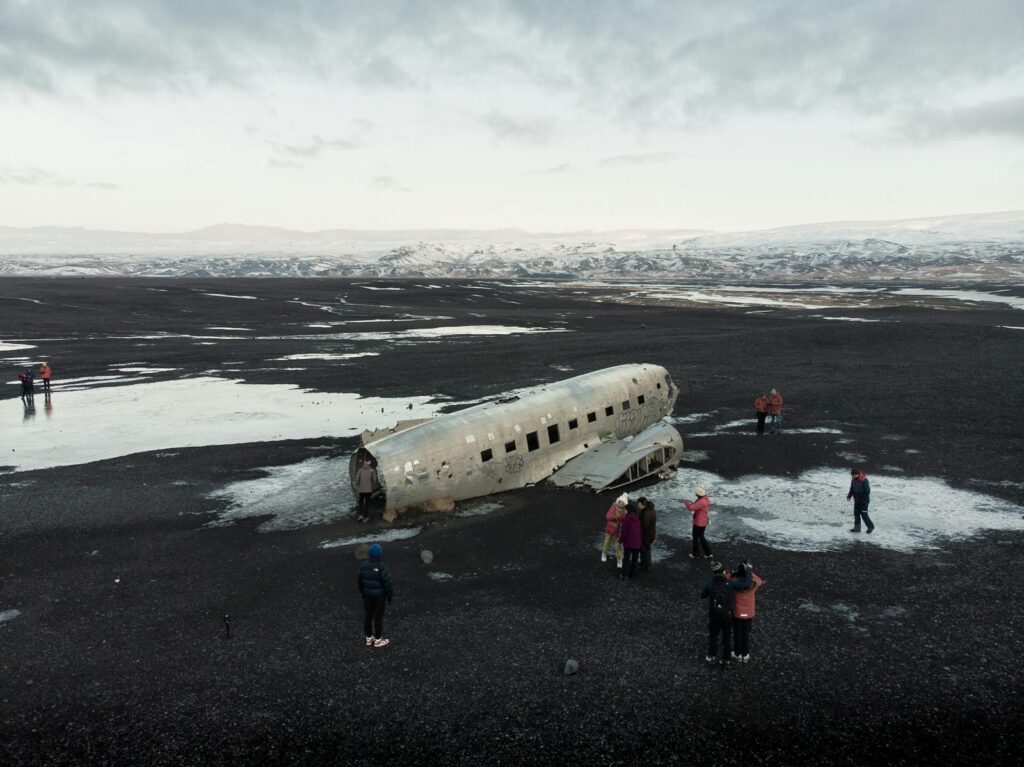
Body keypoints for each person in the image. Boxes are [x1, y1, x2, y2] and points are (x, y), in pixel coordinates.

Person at [701, 560, 752, 668]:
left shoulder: (710, 583)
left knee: (713, 636)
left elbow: (702, 595)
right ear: (724, 571)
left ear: (713, 573)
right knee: (726, 638)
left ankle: (711, 657)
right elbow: (747, 584)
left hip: (714, 615)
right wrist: (749, 569)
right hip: (727, 616)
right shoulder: (730, 583)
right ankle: (726, 660)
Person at [357, 543, 393, 648]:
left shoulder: (363, 566)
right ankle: (378, 640)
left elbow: (360, 582)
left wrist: (363, 593)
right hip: (379, 597)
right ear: (380, 555)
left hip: (367, 596)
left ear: (369, 554)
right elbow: (387, 584)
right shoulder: (382, 567)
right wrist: (389, 596)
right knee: (378, 618)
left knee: (368, 616)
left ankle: (368, 638)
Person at [729, 561, 764, 663]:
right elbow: (760, 581)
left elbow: (727, 577)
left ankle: (737, 653)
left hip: (737, 613)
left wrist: (734, 572)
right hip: (749, 613)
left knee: (737, 633)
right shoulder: (754, 583)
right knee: (746, 633)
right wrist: (749, 571)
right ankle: (746, 654)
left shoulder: (733, 582)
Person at [684, 485, 713, 559]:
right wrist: (692, 503)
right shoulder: (705, 499)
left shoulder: (701, 501)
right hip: (703, 522)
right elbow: (696, 505)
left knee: (696, 538)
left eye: (696, 494)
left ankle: (696, 554)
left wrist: (686, 502)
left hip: (698, 523)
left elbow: (691, 508)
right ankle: (708, 553)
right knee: (701, 537)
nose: (695, 495)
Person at [601, 493, 629, 569]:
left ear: (625, 504)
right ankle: (604, 553)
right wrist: (616, 517)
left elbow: (626, 521)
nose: (620, 504)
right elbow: (608, 516)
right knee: (607, 542)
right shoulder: (614, 506)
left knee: (618, 546)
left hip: (619, 531)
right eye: (620, 502)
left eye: (622, 502)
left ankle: (619, 559)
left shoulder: (626, 511)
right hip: (610, 529)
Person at [618, 501, 642, 580]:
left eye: (625, 510)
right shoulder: (637, 519)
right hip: (637, 543)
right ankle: (632, 575)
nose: (624, 511)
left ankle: (624, 575)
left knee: (626, 559)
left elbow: (624, 532)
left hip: (628, 543)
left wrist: (620, 541)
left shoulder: (627, 519)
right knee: (635, 559)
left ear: (628, 510)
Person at [847, 468, 874, 533]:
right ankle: (857, 528)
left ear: (857, 474)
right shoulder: (853, 480)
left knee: (864, 515)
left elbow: (867, 491)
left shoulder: (864, 480)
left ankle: (870, 527)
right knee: (856, 514)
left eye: (853, 475)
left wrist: (864, 500)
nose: (852, 477)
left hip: (864, 501)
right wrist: (849, 496)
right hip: (857, 500)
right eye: (852, 476)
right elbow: (852, 489)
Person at [354, 456, 379, 523]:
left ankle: (360, 515)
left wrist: (359, 486)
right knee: (367, 503)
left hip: (361, 490)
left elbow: (356, 480)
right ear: (369, 462)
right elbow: (374, 480)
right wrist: (372, 486)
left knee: (361, 503)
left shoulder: (360, 470)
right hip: (368, 490)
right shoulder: (371, 470)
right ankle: (365, 517)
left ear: (364, 462)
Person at [637, 496, 657, 572]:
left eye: (638, 504)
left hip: (646, 535)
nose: (638, 506)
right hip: (651, 534)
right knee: (646, 549)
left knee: (644, 550)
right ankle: (644, 563)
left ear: (643, 504)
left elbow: (644, 526)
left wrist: (638, 532)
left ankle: (645, 566)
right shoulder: (650, 509)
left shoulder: (646, 513)